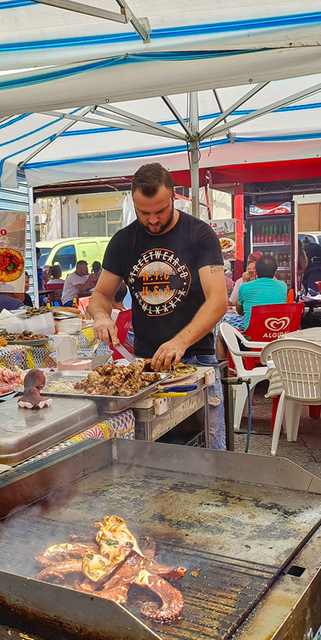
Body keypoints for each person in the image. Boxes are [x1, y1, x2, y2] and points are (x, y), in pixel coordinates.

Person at [89, 162, 228, 448]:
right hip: (145, 365)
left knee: (210, 453)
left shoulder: (199, 235)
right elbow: (101, 294)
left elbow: (218, 301)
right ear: (133, 203)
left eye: (161, 211)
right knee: (153, 454)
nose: (153, 220)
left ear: (173, 198)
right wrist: (101, 316)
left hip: (196, 361)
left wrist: (180, 342)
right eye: (145, 213)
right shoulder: (123, 241)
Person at [236, 255, 288, 330]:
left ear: (256, 271)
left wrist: (244, 281)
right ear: (275, 272)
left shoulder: (244, 286)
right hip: (275, 334)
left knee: (221, 334)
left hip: (252, 336)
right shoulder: (283, 286)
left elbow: (240, 311)